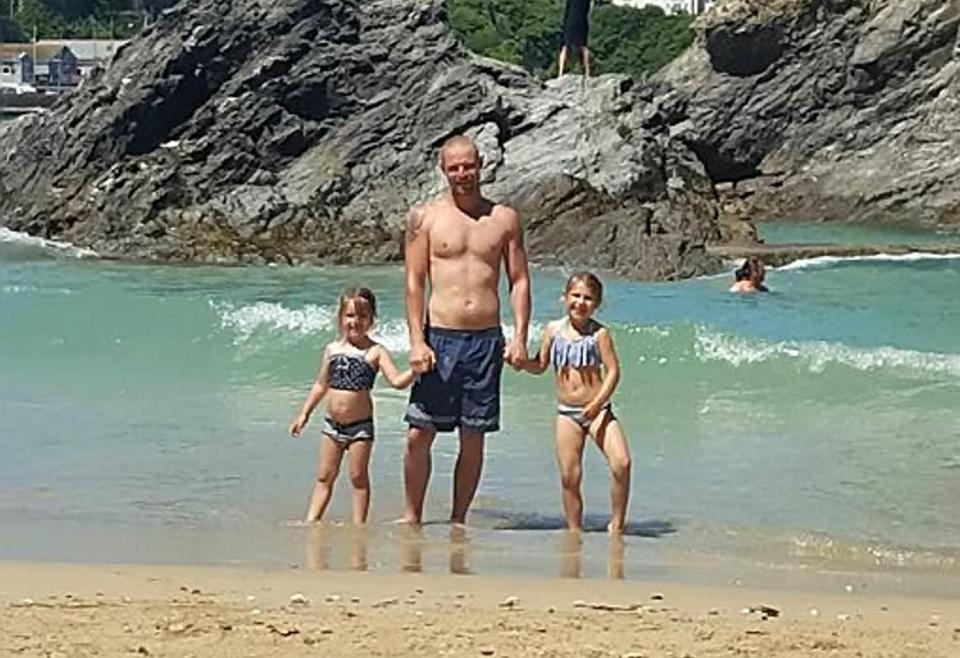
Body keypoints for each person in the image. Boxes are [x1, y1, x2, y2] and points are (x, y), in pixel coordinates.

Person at [403, 134, 532, 526]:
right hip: (439, 336)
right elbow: (414, 281)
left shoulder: (504, 219)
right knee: (418, 434)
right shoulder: (424, 218)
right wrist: (416, 341)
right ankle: (413, 517)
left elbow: (520, 281)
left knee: (473, 436)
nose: (463, 173)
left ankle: (458, 519)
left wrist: (520, 337)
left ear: (481, 165)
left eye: (469, 165)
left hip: (485, 340)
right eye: (454, 167)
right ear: (444, 171)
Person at [289, 287, 414, 524]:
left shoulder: (376, 352)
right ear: (340, 318)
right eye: (349, 315)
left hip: (360, 428)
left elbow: (397, 382)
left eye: (361, 316)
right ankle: (311, 521)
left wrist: (415, 372)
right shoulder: (332, 350)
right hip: (331, 426)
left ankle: (359, 526)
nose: (355, 322)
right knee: (324, 476)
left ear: (371, 320)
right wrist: (304, 414)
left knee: (358, 478)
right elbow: (320, 385)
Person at [523, 272, 631, 534]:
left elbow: (613, 371)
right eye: (576, 296)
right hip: (567, 414)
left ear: (596, 304)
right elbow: (540, 365)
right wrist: (520, 363)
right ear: (565, 297)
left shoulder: (600, 334)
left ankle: (617, 522)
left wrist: (598, 403)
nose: (581, 302)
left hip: (597, 410)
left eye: (588, 298)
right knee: (570, 477)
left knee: (622, 462)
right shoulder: (553, 330)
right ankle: (574, 529)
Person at [558, 0, 592, 78]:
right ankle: (587, 72)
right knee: (583, 46)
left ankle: (560, 72)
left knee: (565, 46)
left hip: (570, 21)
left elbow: (567, 10)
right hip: (582, 21)